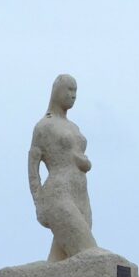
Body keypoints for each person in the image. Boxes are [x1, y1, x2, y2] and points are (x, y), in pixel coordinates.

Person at [28, 74, 98, 261]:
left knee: (59, 262)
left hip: (81, 194)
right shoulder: (43, 127)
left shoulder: (74, 127)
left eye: (75, 91)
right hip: (57, 195)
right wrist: (38, 203)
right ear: (57, 91)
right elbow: (33, 166)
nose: (73, 95)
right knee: (89, 255)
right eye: (69, 89)